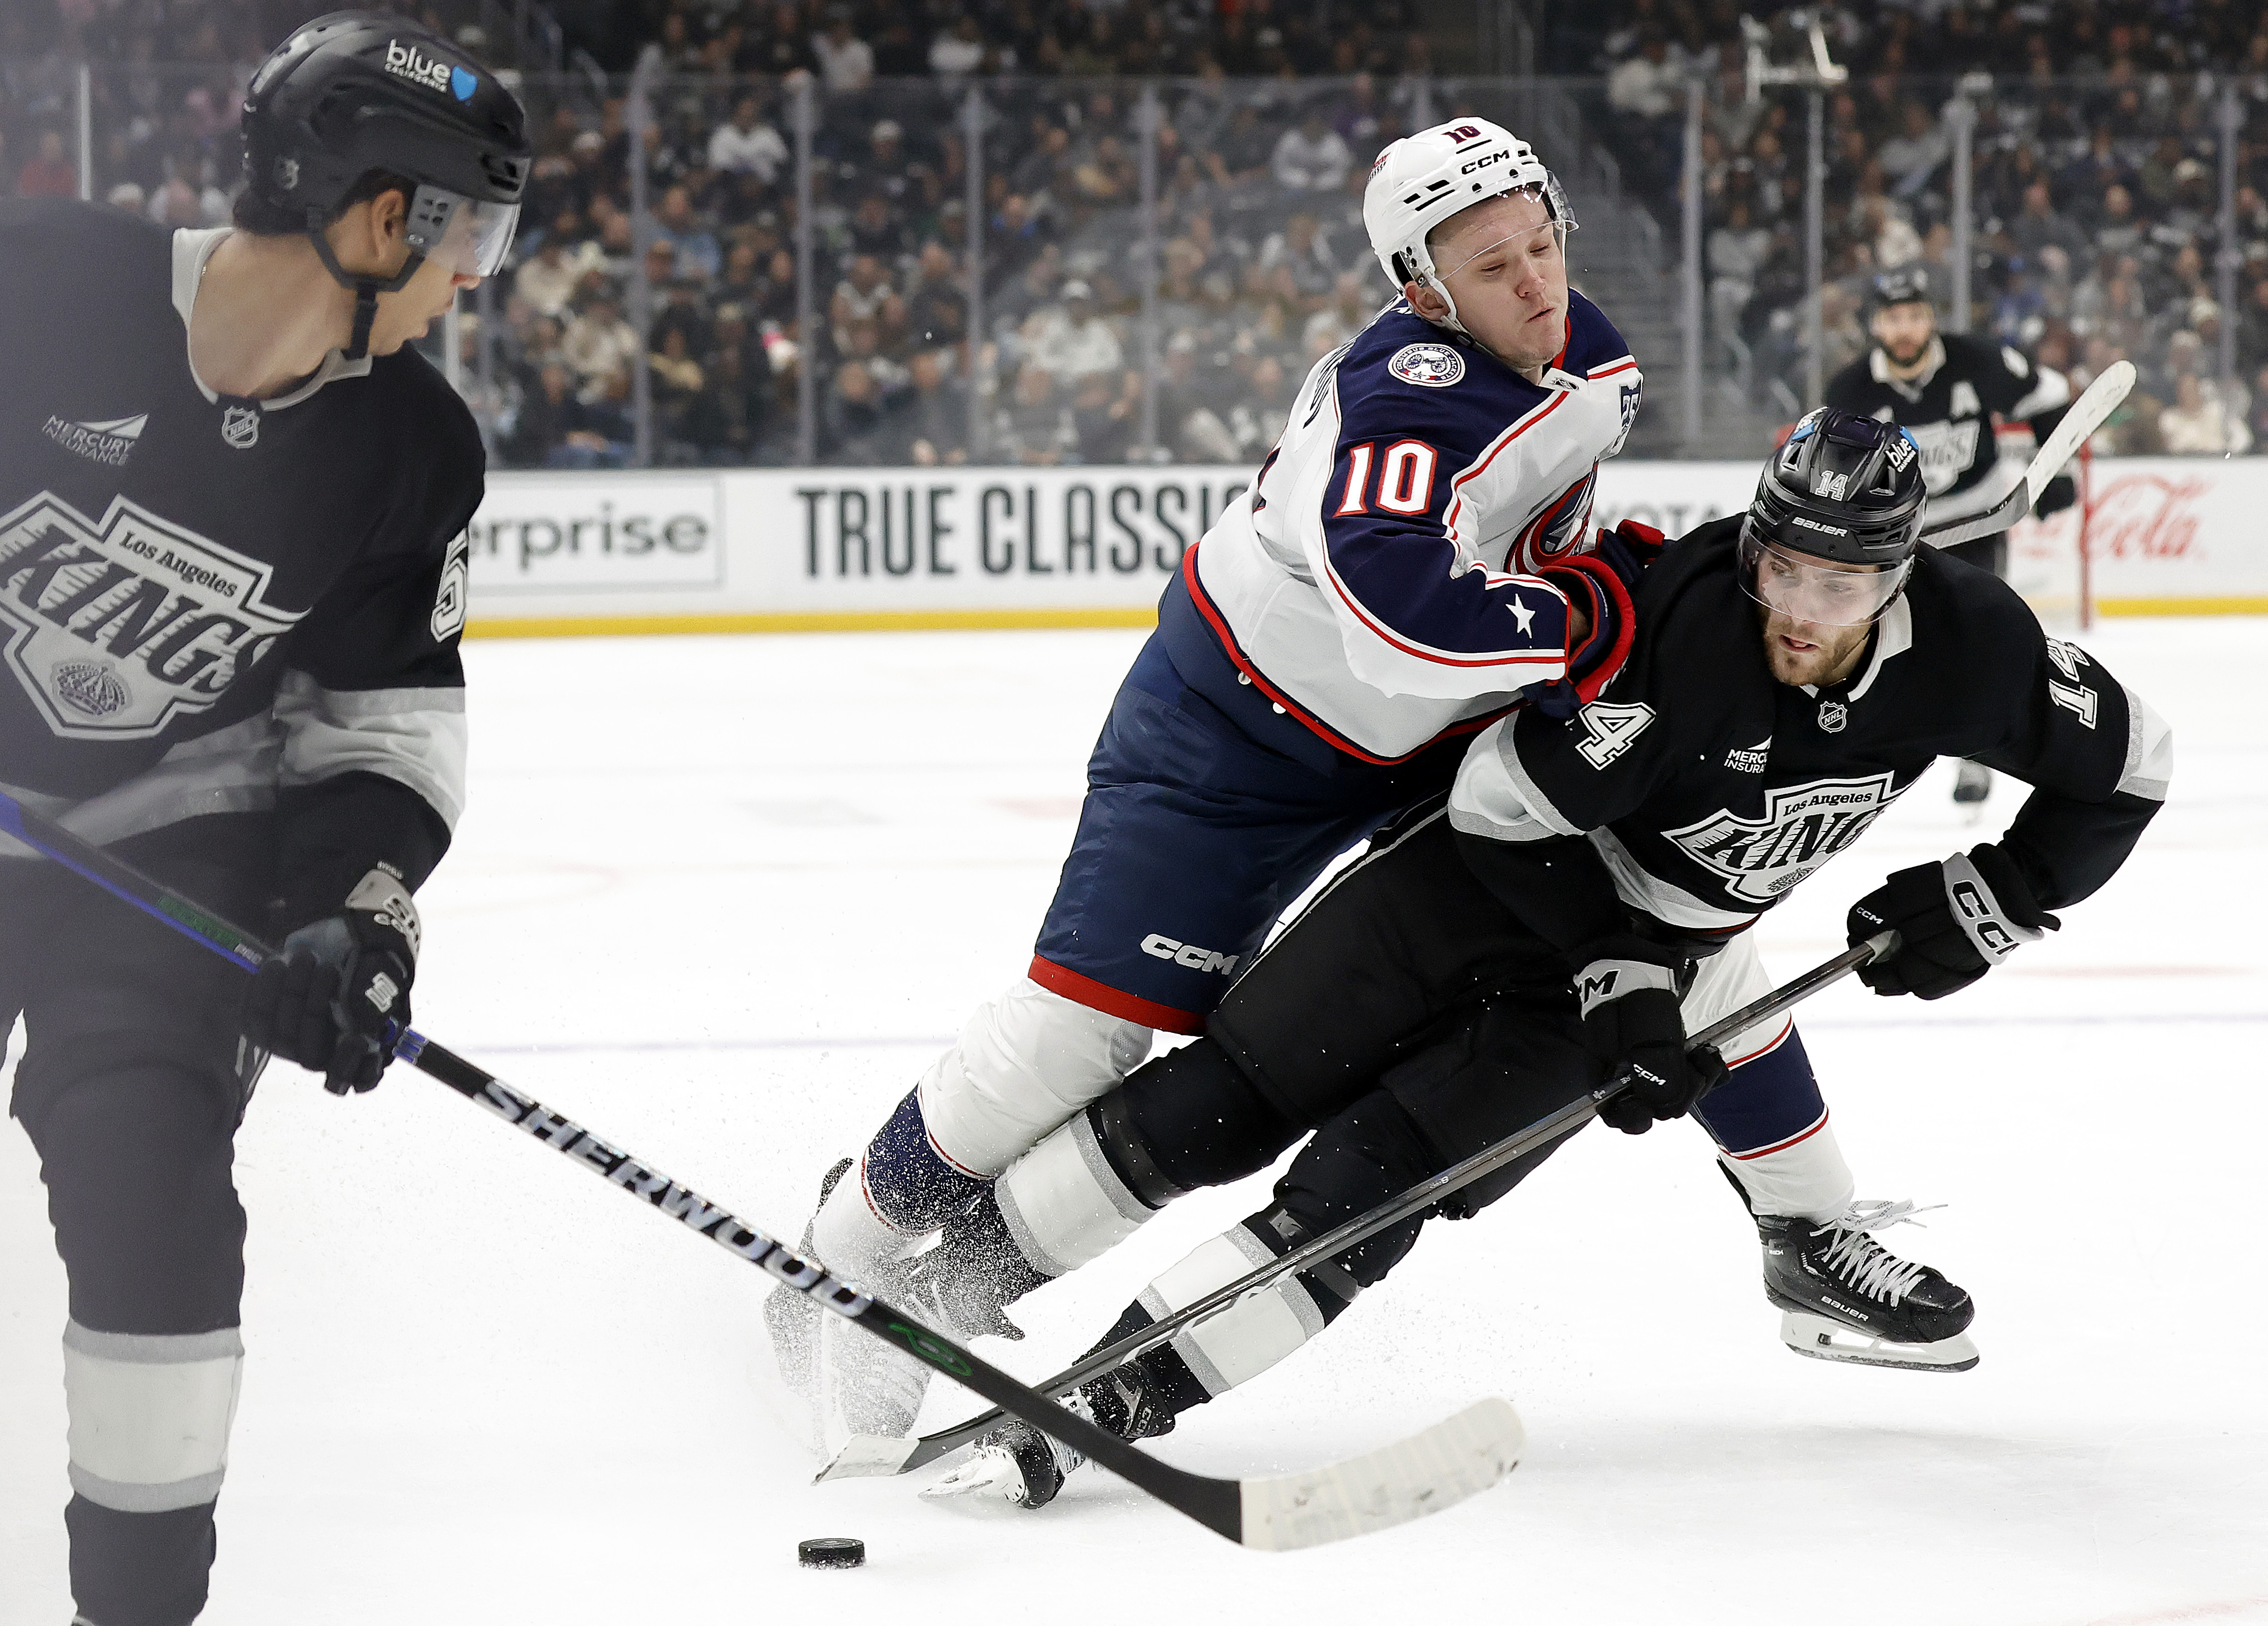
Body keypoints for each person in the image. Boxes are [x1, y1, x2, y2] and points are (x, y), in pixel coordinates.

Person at [931, 408, 2171, 1508]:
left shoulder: (1974, 648)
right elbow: (1499, 806)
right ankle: (941, 1293)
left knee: (1361, 1197)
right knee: (1215, 1103)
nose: (1798, 609)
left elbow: (2133, 764)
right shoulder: (1685, 634)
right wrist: (1614, 955)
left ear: (1896, 580)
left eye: (1839, 588)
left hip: (1624, 981)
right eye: (1779, 567)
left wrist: (2004, 890)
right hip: (1469, 888)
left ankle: (1110, 1400)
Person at [777, 117, 1692, 1453]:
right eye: (1493, 265)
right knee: (1078, 1040)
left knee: (1671, 900)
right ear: (1419, 286)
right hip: (1235, 734)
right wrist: (1591, 622)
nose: (1537, 284)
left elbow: (1531, 531)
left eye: (1543, 243)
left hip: (1413, 744)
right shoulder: (1402, 396)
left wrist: (1628, 578)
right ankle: (836, 1257)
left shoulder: (1588, 350)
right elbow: (1400, 621)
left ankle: (1807, 1218)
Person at [0, 13, 527, 1622]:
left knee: (150, 1187)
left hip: (162, 840)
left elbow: (381, 729)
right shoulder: (46, 285)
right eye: (470, 238)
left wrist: (352, 911)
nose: (473, 281)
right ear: (383, 217)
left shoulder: (409, 447)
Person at [1823, 266, 2076, 813]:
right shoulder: (1849, 391)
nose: (1906, 329)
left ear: (1931, 318)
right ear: (1874, 326)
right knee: (1879, 640)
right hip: (1896, 531)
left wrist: (2057, 471)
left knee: (1976, 639)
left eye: (1915, 316)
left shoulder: (1977, 360)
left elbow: (2049, 393)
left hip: (1975, 519)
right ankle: (1863, 754)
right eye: (1893, 318)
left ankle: (1974, 756)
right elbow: (1827, 464)